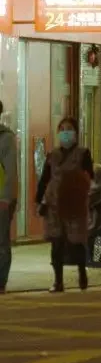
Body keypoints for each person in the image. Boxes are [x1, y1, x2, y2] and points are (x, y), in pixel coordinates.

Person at [36, 117, 93, 292]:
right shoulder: (52, 155)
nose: (65, 133)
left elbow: (90, 176)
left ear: (75, 133)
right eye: (62, 129)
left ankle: (82, 272)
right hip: (54, 206)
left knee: (76, 242)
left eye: (69, 129)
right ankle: (58, 281)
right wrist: (39, 200)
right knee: (57, 243)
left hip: (75, 205)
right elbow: (45, 179)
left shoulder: (83, 154)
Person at [0, 101, 16, 294]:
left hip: (1, 199)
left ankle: (1, 281)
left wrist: (5, 198)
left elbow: (10, 171)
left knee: (1, 241)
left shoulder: (6, 138)